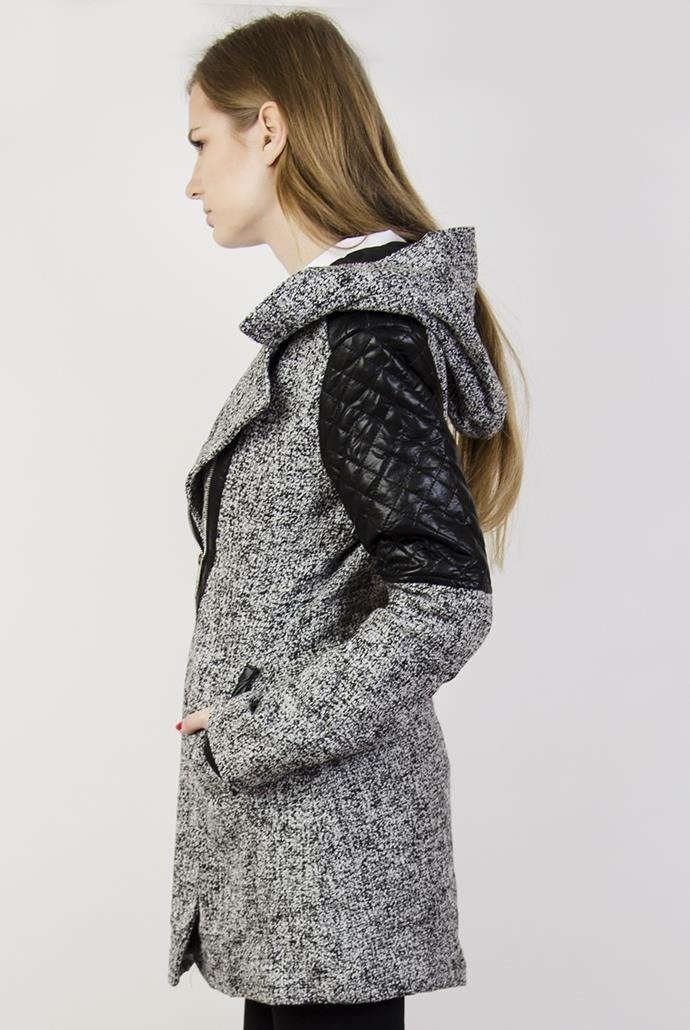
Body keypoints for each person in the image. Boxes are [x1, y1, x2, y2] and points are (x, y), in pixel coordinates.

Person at [168, 10, 527, 1029]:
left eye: (200, 142)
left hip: (331, 869)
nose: (191, 181)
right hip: (300, 870)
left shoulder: (365, 340)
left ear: (268, 130)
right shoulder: (333, 334)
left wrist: (250, 733)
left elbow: (444, 607)